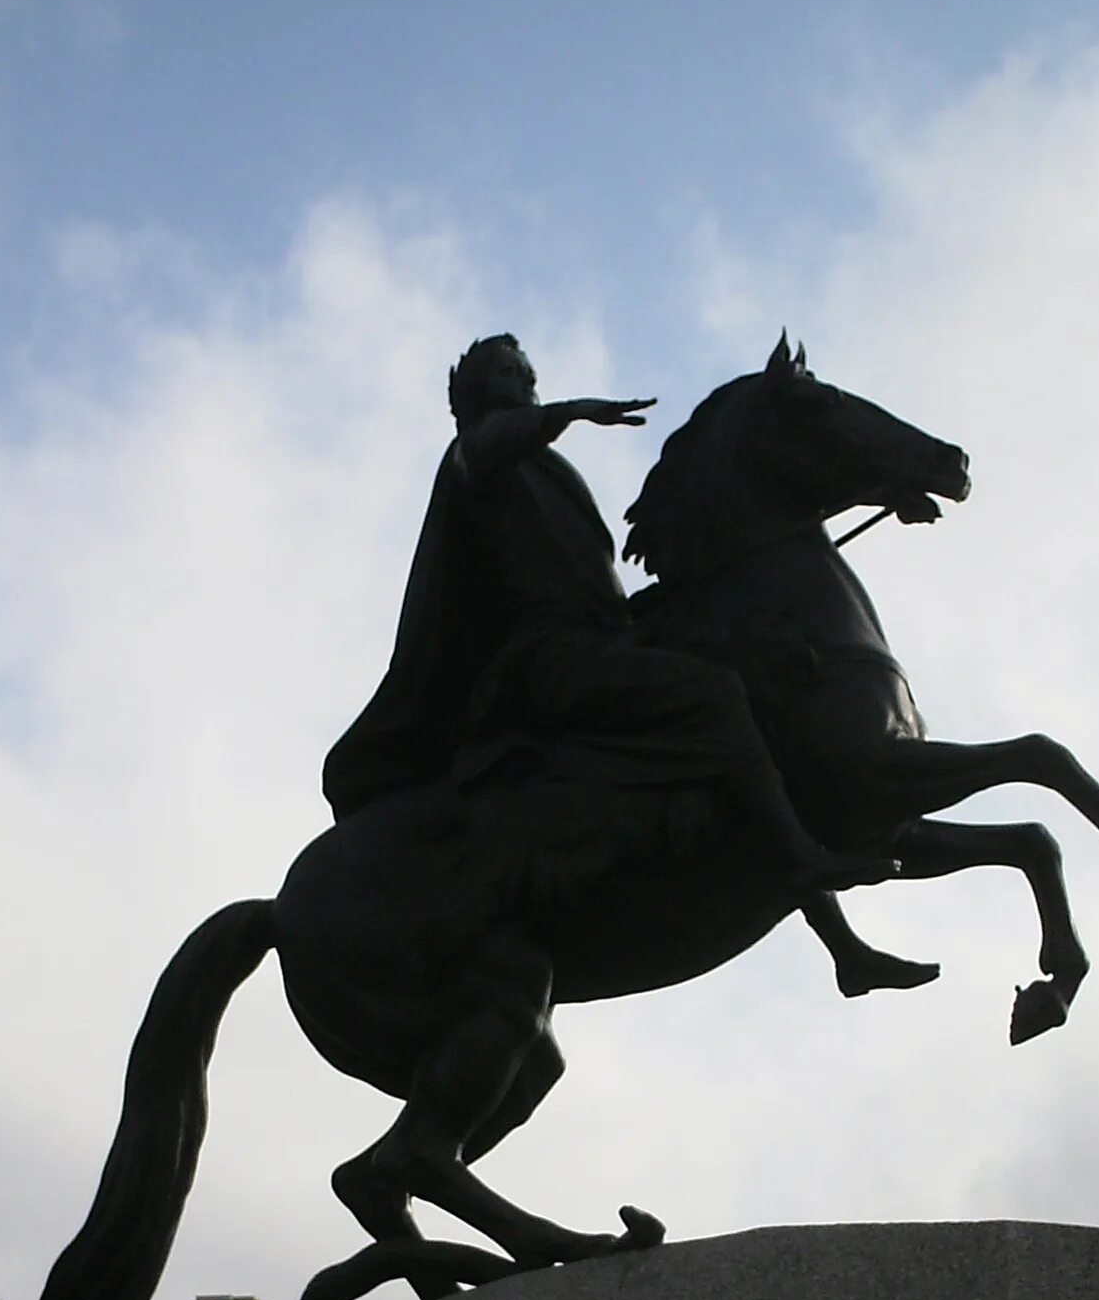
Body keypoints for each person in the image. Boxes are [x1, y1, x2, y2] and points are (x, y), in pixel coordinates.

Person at [325, 335, 897, 907]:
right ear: (476, 392)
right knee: (712, 694)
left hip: (596, 639)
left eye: (526, 371)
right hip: (548, 659)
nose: (524, 380)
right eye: (506, 371)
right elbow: (493, 444)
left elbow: (582, 587)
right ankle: (797, 859)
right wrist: (567, 414)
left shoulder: (539, 465)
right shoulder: (475, 457)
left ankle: (841, 944)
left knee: (746, 675)